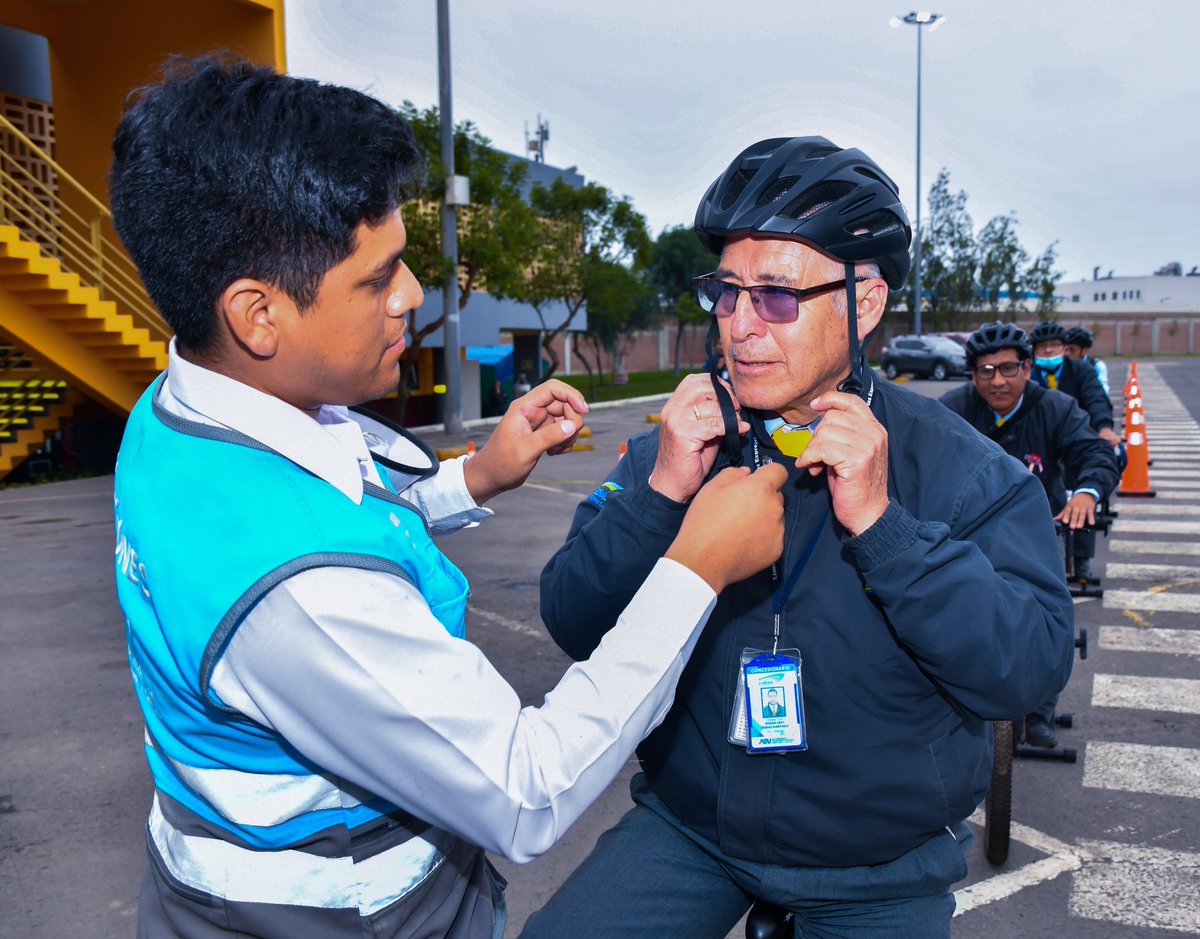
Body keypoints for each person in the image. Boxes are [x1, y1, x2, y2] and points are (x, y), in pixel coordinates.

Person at [108, 55, 790, 939]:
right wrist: (700, 563)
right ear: (257, 314)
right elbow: (526, 788)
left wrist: (473, 475)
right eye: (377, 276)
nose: (413, 296)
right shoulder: (298, 598)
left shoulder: (176, 415)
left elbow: (328, 503)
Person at [526, 136, 1075, 938]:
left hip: (879, 866)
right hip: (693, 829)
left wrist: (887, 531)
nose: (739, 327)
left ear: (866, 302)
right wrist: (660, 497)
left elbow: (1025, 671)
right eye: (726, 292)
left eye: (777, 296)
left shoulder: (966, 472)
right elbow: (573, 621)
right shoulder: (677, 444)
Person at [940, 321, 1119, 747]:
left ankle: (1040, 711)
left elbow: (1094, 451)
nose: (997, 380)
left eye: (1008, 368)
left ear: (1027, 368)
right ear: (973, 374)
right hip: (968, 532)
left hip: (1037, 532)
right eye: (986, 371)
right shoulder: (953, 409)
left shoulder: (1055, 408)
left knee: (1048, 619)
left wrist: (1087, 493)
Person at [1028, 320, 1118, 580]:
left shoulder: (1080, 370)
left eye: (1054, 346)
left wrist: (1104, 428)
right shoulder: (1026, 373)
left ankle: (1082, 561)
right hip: (1040, 446)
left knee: (1084, 495)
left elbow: (1096, 399)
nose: (1047, 351)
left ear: (1064, 348)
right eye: (1042, 347)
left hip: (1076, 441)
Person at [1064, 325, 1110, 396]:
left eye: (1072, 350)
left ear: (1084, 351)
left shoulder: (1097, 366)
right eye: (1066, 349)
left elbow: (1102, 392)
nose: (1067, 354)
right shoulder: (1062, 364)